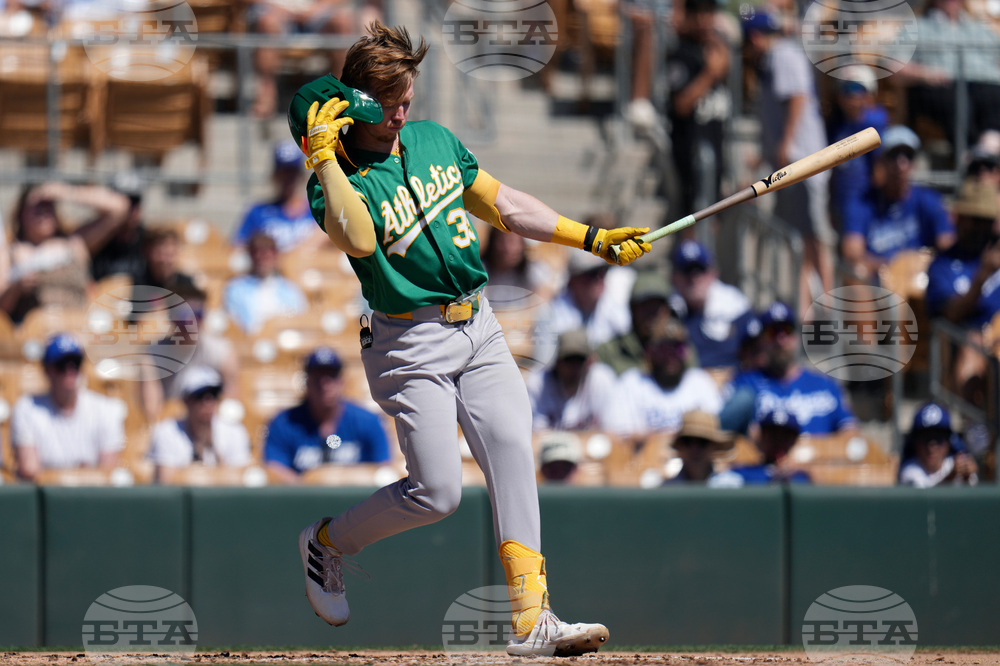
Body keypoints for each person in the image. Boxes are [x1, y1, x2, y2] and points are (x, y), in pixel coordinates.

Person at [290, 21, 651, 655]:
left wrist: (590, 238)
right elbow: (360, 239)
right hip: (407, 343)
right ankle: (326, 543)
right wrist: (322, 155)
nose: (404, 111)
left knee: (514, 447)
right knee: (437, 494)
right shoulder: (334, 176)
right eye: (392, 100)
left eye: (408, 97)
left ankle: (533, 619)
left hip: (477, 325)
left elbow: (504, 204)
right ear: (359, 99)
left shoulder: (433, 140)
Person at [743, 10, 833, 315]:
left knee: (812, 238)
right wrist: (766, 154)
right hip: (791, 163)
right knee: (800, 238)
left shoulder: (782, 55)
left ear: (755, 37)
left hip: (802, 162)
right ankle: (807, 306)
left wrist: (785, 143)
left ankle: (828, 305)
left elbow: (797, 98)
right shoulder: (772, 60)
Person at [1, 181, 130, 323]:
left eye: (48, 206)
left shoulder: (75, 243)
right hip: (36, 333)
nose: (43, 212)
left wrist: (66, 192)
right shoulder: (10, 251)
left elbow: (119, 208)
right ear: (21, 214)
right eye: (37, 207)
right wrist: (16, 287)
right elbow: (2, 306)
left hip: (78, 327)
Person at [720, 301, 857, 436]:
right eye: (772, 332)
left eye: (787, 330)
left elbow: (849, 431)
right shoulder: (746, 384)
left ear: (796, 336)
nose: (781, 339)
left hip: (820, 456)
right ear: (761, 340)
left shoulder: (825, 385)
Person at [840, 126, 954, 284]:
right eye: (894, 155)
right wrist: (897, 267)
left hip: (920, 280)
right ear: (882, 161)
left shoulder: (929, 199)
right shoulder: (862, 203)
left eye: (908, 155)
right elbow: (852, 253)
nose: (901, 163)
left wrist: (918, 264)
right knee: (856, 272)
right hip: (879, 282)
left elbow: (948, 244)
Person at [263, 347, 391, 482]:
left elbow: (382, 469)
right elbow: (273, 467)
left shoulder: (368, 421)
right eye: (317, 377)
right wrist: (308, 487)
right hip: (302, 501)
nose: (325, 384)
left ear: (342, 381)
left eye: (332, 376)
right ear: (307, 382)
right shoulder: (284, 423)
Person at [925, 178, 1000, 407]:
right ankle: (975, 431)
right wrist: (983, 276)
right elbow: (950, 315)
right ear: (958, 219)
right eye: (975, 220)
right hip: (967, 345)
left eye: (987, 221)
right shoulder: (942, 266)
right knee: (972, 345)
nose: (981, 229)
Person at [10, 333, 125, 481]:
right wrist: (81, 473)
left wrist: (61, 475)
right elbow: (29, 469)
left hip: (90, 499)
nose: (70, 371)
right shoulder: (27, 408)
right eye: (62, 365)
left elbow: (107, 472)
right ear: (47, 369)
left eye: (75, 364)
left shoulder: (106, 409)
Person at [246, 0, 383, 118]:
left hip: (315, 15)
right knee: (267, 23)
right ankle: (266, 96)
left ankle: (338, 94)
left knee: (342, 22)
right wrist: (283, 11)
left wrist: (314, 10)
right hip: (272, 11)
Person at [898, 0, 1000, 146]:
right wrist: (926, 74)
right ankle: (970, 154)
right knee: (958, 102)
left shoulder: (980, 28)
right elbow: (895, 66)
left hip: (985, 86)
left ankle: (987, 150)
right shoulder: (918, 27)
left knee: (993, 97)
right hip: (941, 86)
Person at [666, 0, 731, 218]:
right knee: (691, 217)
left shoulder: (715, 49)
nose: (704, 20)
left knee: (713, 217)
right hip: (689, 151)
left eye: (709, 13)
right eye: (698, 13)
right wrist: (710, 74)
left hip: (715, 142)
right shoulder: (682, 52)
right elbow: (681, 105)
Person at [606, 318, 723, 437]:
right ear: (649, 352)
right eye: (663, 350)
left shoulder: (699, 381)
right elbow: (619, 437)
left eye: (677, 349)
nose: (670, 357)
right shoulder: (631, 384)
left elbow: (714, 429)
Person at [148, 366, 252, 482]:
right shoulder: (166, 432)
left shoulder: (235, 431)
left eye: (214, 394)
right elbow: (165, 483)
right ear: (186, 400)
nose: (208, 402)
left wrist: (213, 450)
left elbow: (238, 483)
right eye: (200, 396)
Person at [535, 250, 634, 367]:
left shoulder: (615, 305)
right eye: (592, 274)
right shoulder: (551, 314)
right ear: (573, 279)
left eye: (603, 272)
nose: (600, 278)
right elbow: (544, 365)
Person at [667, 240, 753, 371]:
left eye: (700, 270)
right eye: (687, 271)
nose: (694, 278)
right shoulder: (666, 310)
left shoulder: (734, 305)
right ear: (674, 278)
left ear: (713, 273)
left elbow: (757, 354)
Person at [232, 141, 329, 252]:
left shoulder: (317, 212)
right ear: (274, 175)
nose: (288, 179)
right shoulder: (257, 212)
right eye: (283, 173)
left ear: (301, 175)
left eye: (292, 173)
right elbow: (238, 248)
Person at [827, 64, 890, 225]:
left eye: (856, 88)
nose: (849, 95)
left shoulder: (875, 122)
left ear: (869, 93)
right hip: (842, 198)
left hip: (865, 201)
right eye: (844, 89)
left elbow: (880, 172)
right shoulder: (837, 124)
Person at [526, 328, 619, 432]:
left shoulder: (602, 380)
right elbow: (536, 436)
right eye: (569, 359)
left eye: (580, 360)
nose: (574, 367)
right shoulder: (538, 384)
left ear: (590, 361)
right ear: (557, 361)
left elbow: (612, 433)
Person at [223, 231, 308, 334]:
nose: (263, 259)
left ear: (275, 255)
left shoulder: (290, 289)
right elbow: (234, 326)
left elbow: (300, 321)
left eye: (267, 254)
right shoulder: (235, 289)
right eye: (257, 254)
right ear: (251, 256)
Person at [709, 405, 810, 486]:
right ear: (761, 436)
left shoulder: (800, 477)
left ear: (793, 440)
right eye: (772, 435)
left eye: (784, 437)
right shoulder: (743, 473)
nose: (777, 441)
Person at [597, 269, 673, 375]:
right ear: (632, 310)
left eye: (656, 307)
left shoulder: (680, 351)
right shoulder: (609, 352)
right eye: (645, 307)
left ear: (667, 311)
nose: (651, 315)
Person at [898, 402, 978, 487]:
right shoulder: (909, 470)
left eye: (938, 439)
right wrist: (951, 476)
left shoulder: (955, 463)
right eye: (926, 438)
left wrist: (967, 478)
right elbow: (926, 499)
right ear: (915, 443)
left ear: (949, 442)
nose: (932, 446)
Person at [663, 410, 732, 483]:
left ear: (714, 446)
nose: (694, 449)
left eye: (702, 441)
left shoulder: (731, 486)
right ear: (680, 446)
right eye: (687, 441)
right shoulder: (668, 490)